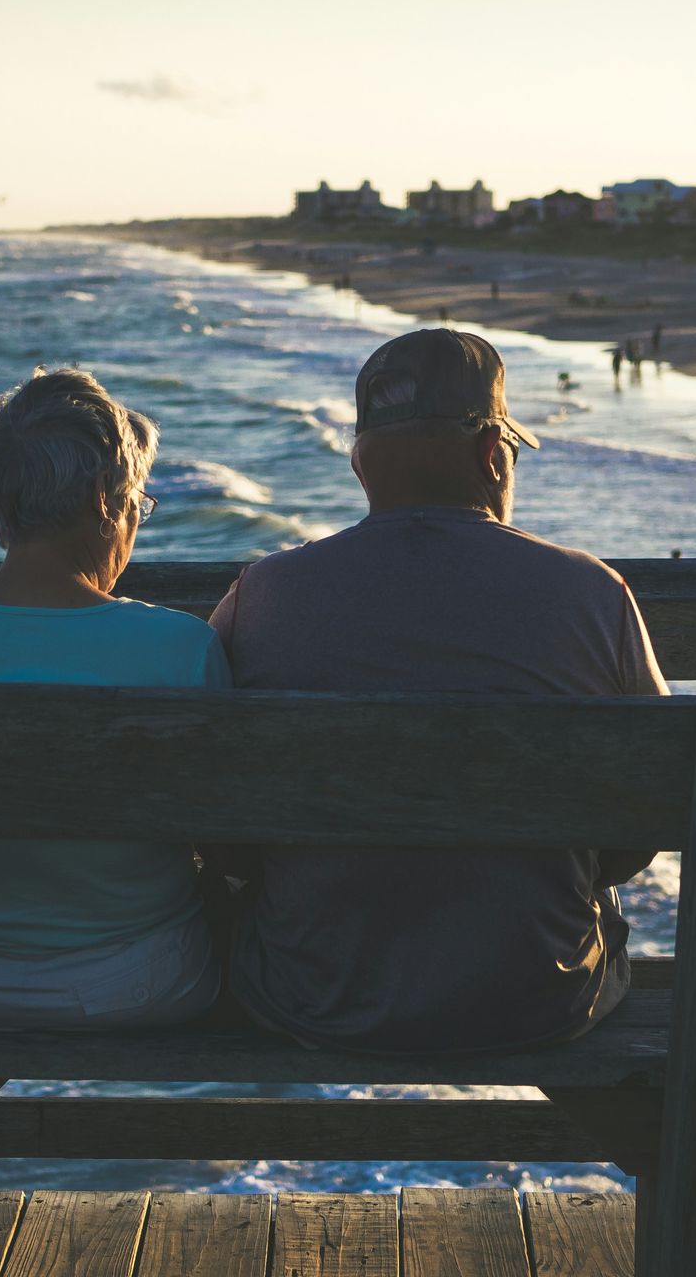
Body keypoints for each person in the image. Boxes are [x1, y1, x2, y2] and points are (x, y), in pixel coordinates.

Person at [208, 329, 665, 1054]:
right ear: (492, 456)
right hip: (539, 999)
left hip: (313, 995)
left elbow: (211, 808)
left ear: (361, 466)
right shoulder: (592, 593)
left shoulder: (260, 595)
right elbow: (654, 807)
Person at [0, 368, 227, 1031]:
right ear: (107, 501)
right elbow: (228, 839)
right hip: (141, 982)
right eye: (137, 502)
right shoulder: (181, 648)